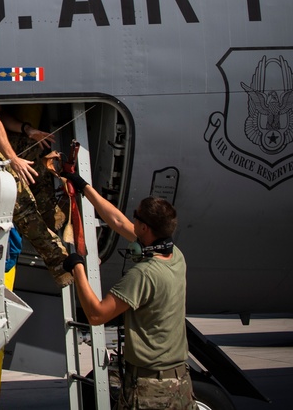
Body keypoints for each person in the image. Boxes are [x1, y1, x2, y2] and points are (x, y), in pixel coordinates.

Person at [62, 172, 196, 410]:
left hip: (150, 390)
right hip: (179, 381)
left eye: (136, 217)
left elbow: (96, 314)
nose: (131, 220)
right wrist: (83, 187)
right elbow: (119, 222)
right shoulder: (176, 256)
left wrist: (77, 266)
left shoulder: (143, 274)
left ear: (144, 227)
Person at [0, 104, 73, 287]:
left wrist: (28, 130)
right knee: (20, 200)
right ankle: (58, 263)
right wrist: (13, 160)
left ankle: (49, 214)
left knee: (32, 148)